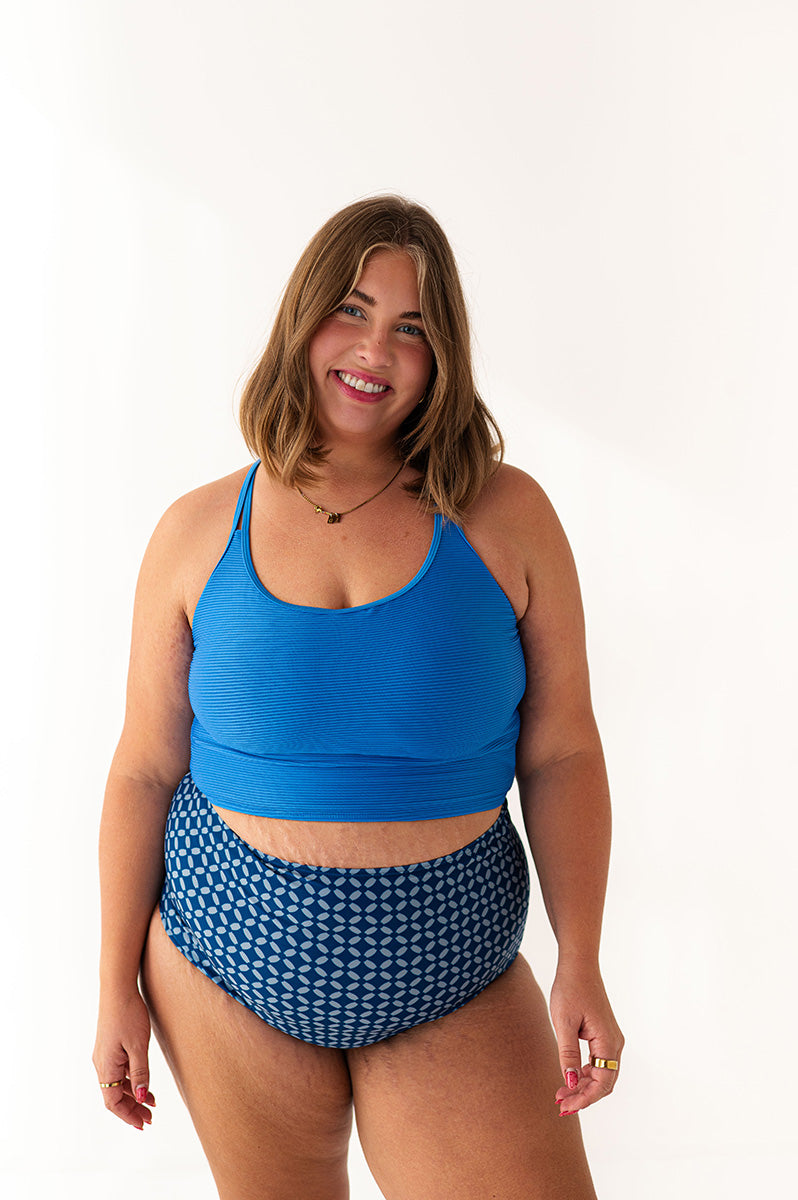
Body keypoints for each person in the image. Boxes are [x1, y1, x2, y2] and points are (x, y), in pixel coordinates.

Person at [93, 194, 623, 1199]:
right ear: (304, 320)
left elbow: (563, 751)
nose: (375, 349)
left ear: (442, 355)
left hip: (454, 966)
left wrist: (581, 959)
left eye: (411, 327)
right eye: (352, 309)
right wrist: (114, 982)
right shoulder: (196, 530)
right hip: (225, 962)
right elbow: (144, 768)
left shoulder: (508, 516)